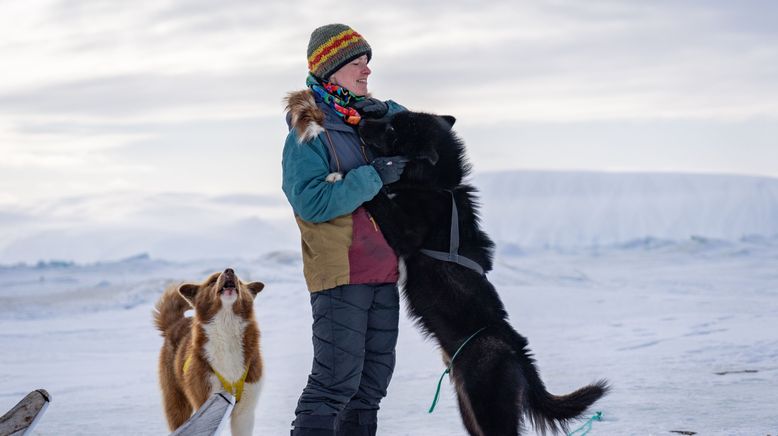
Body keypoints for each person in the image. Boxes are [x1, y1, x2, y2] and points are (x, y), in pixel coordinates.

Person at [281, 24, 408, 436]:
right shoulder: (310, 129)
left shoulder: (365, 119)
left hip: (384, 269)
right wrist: (374, 176)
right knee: (334, 384)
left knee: (370, 388)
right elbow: (311, 202)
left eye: (368, 62)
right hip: (342, 273)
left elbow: (426, 135)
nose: (367, 70)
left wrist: (390, 113)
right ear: (330, 71)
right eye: (356, 63)